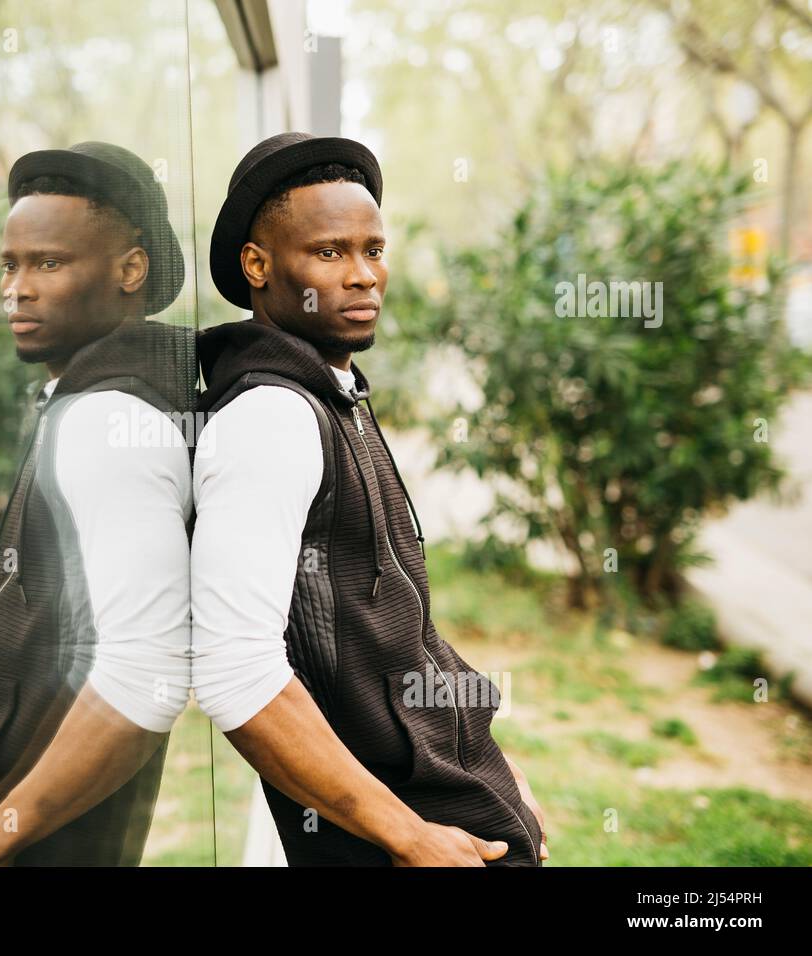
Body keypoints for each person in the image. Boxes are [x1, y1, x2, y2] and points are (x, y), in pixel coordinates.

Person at [189, 131, 548, 866]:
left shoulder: (334, 394)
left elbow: (398, 634)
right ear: (257, 266)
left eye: (373, 250)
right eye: (329, 253)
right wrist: (409, 836)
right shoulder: (271, 418)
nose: (363, 276)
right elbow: (236, 673)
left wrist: (496, 772)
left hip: (456, 802)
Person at [0, 141, 196, 866]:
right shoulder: (109, 395)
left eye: (48, 264)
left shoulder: (106, 422)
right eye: (10, 265)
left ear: (131, 269)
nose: (17, 290)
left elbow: (142, 676)